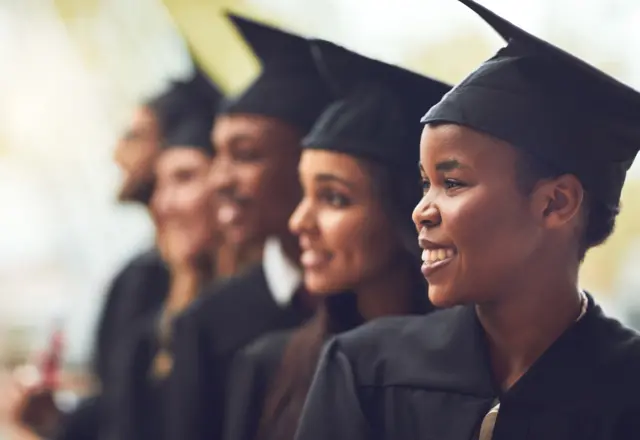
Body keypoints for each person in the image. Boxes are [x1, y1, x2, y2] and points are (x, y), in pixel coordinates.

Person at [294, 1, 640, 439]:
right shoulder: (366, 371)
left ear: (555, 203)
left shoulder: (626, 391)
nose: (422, 211)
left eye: (452, 183)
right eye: (425, 183)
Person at [222, 39, 450, 440]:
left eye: (333, 198)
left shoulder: (470, 377)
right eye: (303, 192)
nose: (299, 222)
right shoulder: (269, 366)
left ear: (407, 211)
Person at [167, 14, 332, 440]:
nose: (219, 180)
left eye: (245, 155)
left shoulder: (377, 303)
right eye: (217, 156)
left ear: (309, 163)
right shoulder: (208, 324)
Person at [102, 69, 221, 440]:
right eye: (163, 182)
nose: (116, 152)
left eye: (184, 178)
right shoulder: (146, 294)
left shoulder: (242, 319)